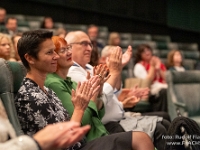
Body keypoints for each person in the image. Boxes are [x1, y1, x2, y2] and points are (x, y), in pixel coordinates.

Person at [15, 30, 154, 150]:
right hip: (77, 147)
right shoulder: (31, 96)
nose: (56, 56)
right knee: (140, 138)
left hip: (84, 141)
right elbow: (62, 141)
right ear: (30, 58)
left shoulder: (46, 90)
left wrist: (93, 95)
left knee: (146, 133)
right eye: (50, 52)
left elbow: (74, 123)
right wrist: (80, 108)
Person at [65, 31, 169, 150]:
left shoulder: (89, 67)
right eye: (84, 44)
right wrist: (115, 71)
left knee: (164, 122)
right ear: (69, 47)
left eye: (90, 44)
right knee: (160, 128)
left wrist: (118, 72)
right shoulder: (72, 72)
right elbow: (98, 101)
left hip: (119, 117)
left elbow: (113, 92)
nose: (89, 48)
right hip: (106, 124)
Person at [45, 36, 125, 142]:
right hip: (89, 140)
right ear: (54, 56)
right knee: (140, 138)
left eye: (68, 48)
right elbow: (83, 122)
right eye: (63, 50)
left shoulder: (70, 81)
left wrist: (98, 89)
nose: (69, 52)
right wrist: (93, 95)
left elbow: (98, 114)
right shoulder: (54, 83)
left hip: (99, 133)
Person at [0, 99, 90, 150]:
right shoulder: (28, 97)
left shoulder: (49, 90)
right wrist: (79, 110)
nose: (56, 63)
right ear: (31, 63)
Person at [133, 44, 168, 112]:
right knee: (164, 91)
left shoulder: (158, 63)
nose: (147, 53)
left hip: (160, 87)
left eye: (148, 50)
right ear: (140, 55)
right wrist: (152, 66)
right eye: (144, 51)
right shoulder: (138, 66)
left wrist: (158, 68)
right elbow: (148, 82)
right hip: (149, 91)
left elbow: (167, 79)